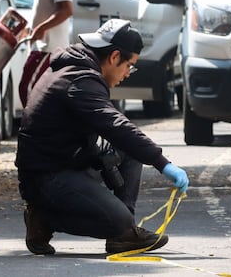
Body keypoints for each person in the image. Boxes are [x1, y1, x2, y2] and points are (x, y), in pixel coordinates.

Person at [15, 19, 190, 255]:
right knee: (117, 220)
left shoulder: (77, 69)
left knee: (129, 147)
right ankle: (43, 218)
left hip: (69, 161)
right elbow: (115, 125)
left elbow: (117, 131)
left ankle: (124, 235)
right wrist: (163, 163)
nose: (128, 74)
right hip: (46, 177)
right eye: (129, 66)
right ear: (114, 56)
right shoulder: (79, 80)